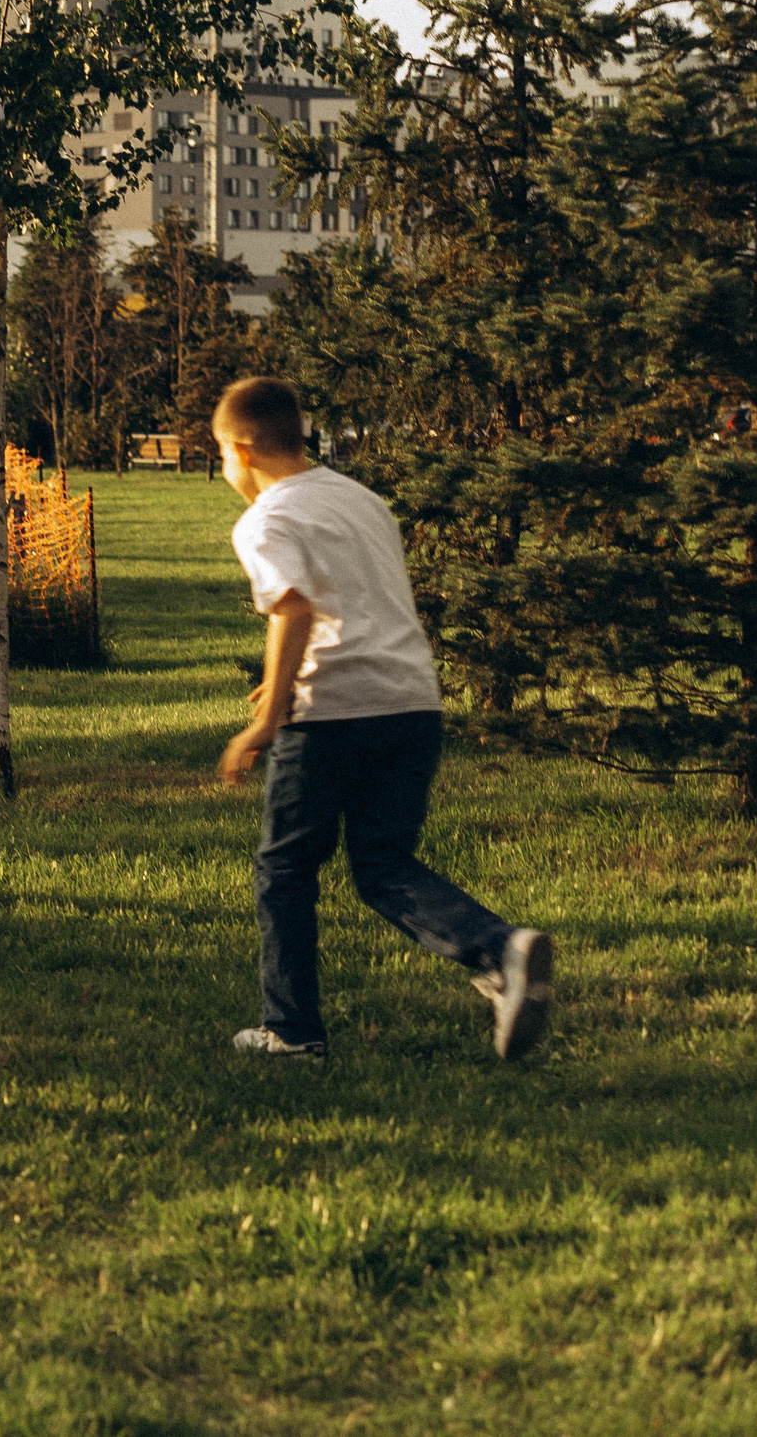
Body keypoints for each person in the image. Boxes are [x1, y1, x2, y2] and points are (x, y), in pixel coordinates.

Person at [212, 377, 554, 1061]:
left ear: (243, 449)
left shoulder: (264, 520)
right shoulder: (361, 500)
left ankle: (291, 1029)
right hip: (411, 701)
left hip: (332, 712)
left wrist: (270, 717)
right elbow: (354, 602)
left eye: (220, 453)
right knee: (382, 863)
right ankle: (500, 949)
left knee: (284, 868)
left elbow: (296, 610)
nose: (223, 468)